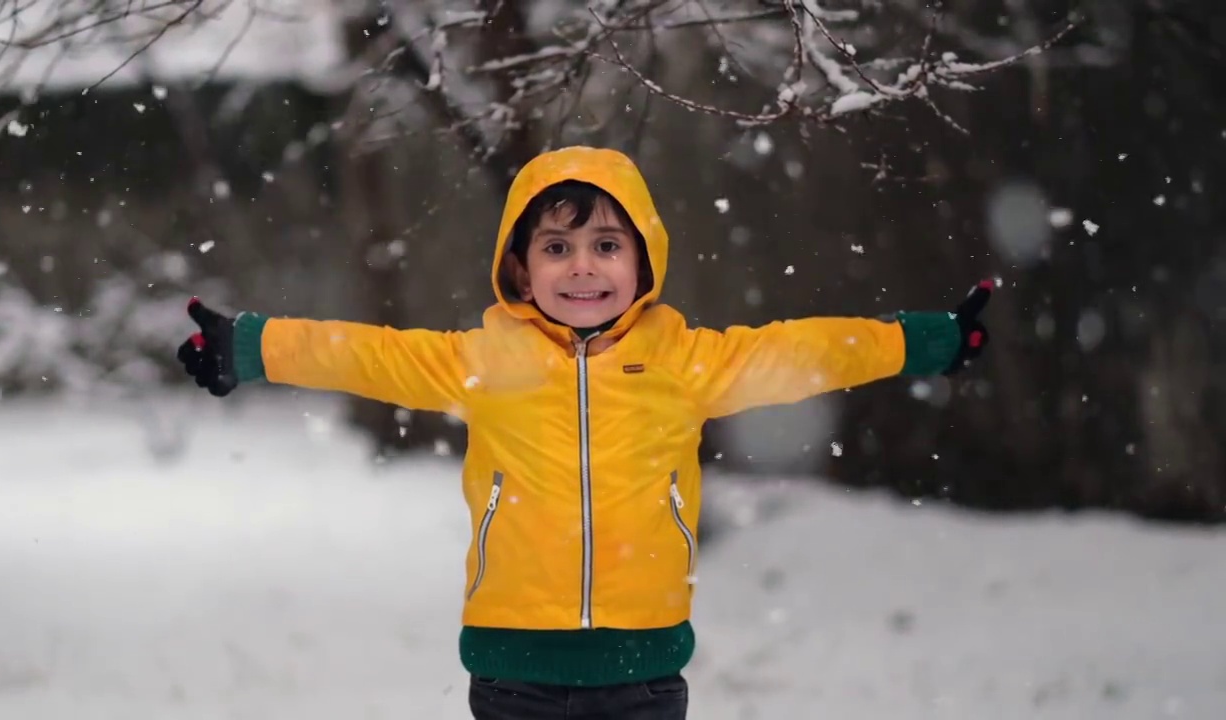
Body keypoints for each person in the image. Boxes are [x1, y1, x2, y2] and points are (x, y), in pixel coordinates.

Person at [177, 146, 992, 720]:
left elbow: (807, 349)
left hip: (643, 667)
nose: (582, 267)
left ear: (642, 263)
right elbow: (364, 355)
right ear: (520, 268)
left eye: (606, 245)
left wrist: (925, 339)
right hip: (512, 667)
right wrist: (250, 346)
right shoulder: (485, 360)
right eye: (557, 247)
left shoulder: (685, 362)